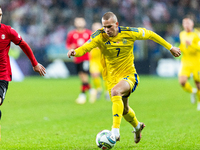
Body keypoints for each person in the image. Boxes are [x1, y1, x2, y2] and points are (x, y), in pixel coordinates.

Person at [67, 12, 181, 144]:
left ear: (116, 24)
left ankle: (115, 131)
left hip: (129, 76)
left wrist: (170, 47)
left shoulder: (129, 33)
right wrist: (76, 52)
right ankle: (137, 126)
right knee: (125, 109)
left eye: (109, 27)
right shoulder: (99, 35)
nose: (107, 30)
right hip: (111, 78)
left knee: (116, 92)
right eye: (104, 27)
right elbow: (86, 47)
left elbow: (151, 34)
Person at [0, 6, 46, 112]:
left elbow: (24, 45)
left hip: (2, 75)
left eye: (0, 15)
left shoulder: (7, 31)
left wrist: (35, 63)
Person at [66, 17, 93, 104]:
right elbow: (68, 44)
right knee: (81, 76)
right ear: (75, 23)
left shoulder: (89, 33)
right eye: (78, 22)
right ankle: (91, 90)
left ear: (84, 23)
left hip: (86, 58)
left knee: (84, 75)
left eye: (81, 21)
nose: (79, 23)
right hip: (77, 58)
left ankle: (83, 95)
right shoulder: (72, 34)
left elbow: (93, 44)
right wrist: (71, 47)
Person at [178, 16, 200, 110]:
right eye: (184, 23)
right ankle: (192, 91)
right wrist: (179, 49)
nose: (186, 25)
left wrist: (192, 44)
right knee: (182, 82)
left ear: (192, 24)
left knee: (198, 84)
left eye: (188, 23)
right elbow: (183, 46)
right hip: (186, 61)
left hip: (196, 62)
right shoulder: (182, 34)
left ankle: (199, 102)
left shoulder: (197, 34)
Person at [89, 22, 110, 102]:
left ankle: (107, 91)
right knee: (94, 74)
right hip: (94, 60)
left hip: (103, 59)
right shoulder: (90, 36)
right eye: (94, 28)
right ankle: (99, 89)